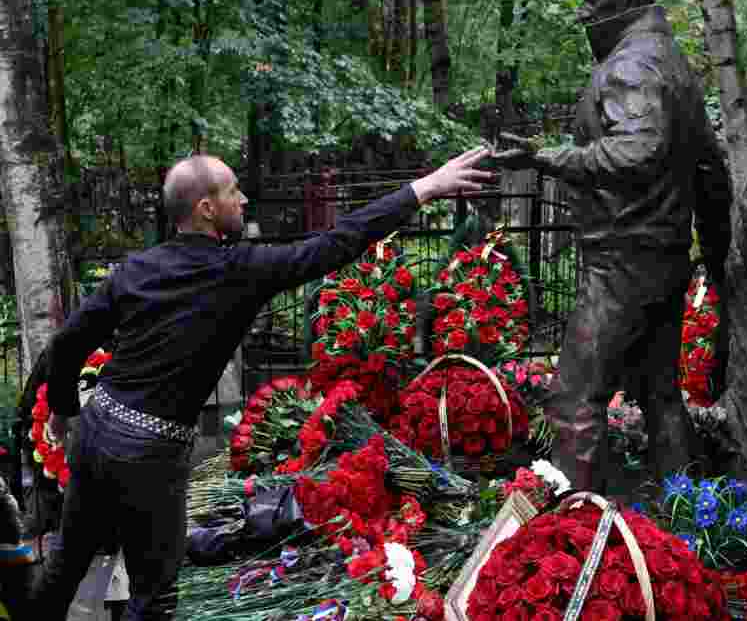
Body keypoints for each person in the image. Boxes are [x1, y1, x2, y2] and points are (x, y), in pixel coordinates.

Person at [30, 146, 494, 620]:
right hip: (150, 453)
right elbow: (336, 243)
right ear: (207, 209)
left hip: (98, 429)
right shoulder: (239, 271)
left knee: (67, 562)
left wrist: (67, 413)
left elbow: (66, 344)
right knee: (154, 597)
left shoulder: (136, 269)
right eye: (234, 191)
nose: (245, 199)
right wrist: (423, 189)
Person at [494, 0, 732, 496]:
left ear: (628, 3)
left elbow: (638, 152)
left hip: (623, 259)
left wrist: (546, 157)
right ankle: (688, 520)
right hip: (662, 253)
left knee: (574, 399)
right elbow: (708, 165)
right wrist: (713, 250)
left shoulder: (633, 65)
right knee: (660, 394)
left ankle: (575, 537)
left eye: (592, 3)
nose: (583, 15)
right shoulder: (669, 60)